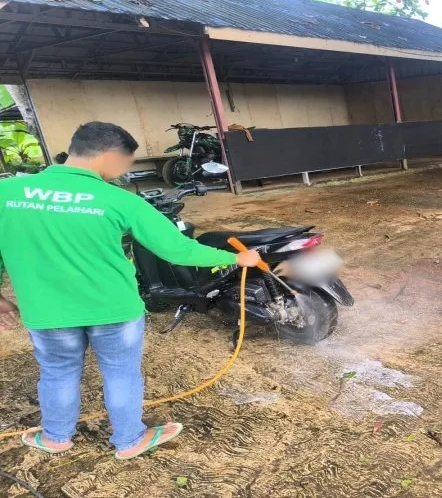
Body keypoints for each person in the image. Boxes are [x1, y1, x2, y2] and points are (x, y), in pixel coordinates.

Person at [0, 122, 260, 460]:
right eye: (125, 164)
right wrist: (236, 257)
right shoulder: (120, 201)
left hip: (47, 312)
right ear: (111, 156)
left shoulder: (8, 194)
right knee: (120, 373)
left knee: (57, 372)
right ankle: (129, 441)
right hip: (114, 309)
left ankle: (55, 438)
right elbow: (178, 250)